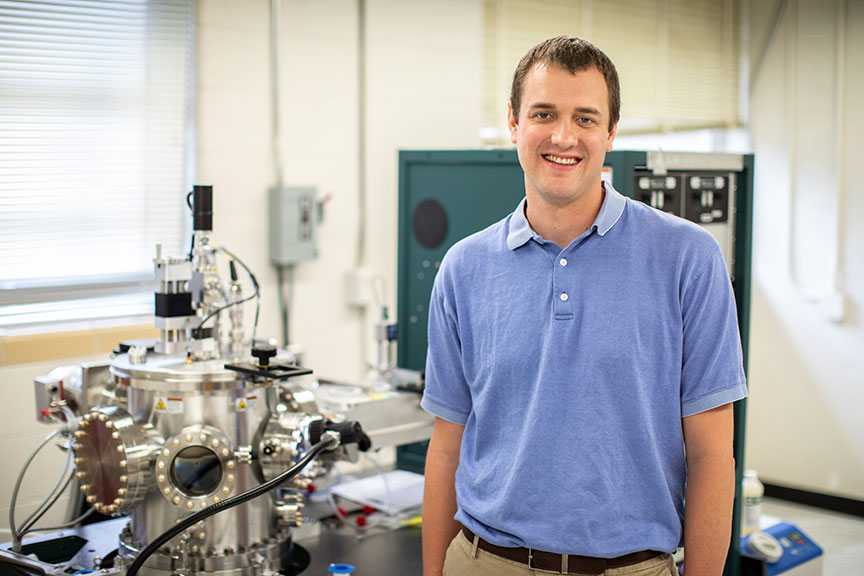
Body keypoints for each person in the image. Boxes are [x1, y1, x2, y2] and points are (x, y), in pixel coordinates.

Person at [420, 36, 747, 576]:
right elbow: (446, 446)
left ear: (612, 132)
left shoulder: (689, 258)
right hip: (483, 562)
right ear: (513, 123)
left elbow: (713, 453)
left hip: (632, 567)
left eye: (586, 118)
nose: (563, 136)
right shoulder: (464, 267)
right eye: (543, 113)